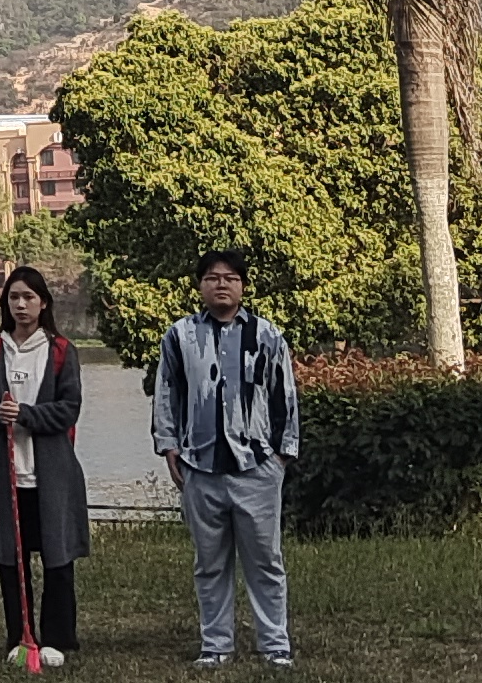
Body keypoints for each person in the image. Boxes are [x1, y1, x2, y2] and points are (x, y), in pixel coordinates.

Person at [149, 250, 297, 669]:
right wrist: (168, 445)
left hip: (257, 467)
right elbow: (166, 392)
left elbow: (285, 396)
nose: (221, 285)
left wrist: (281, 457)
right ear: (200, 286)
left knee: (265, 561)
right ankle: (215, 645)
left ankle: (275, 644)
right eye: (212, 278)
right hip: (200, 466)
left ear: (242, 286)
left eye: (230, 278)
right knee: (209, 563)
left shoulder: (268, 336)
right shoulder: (180, 336)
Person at [0, 267, 83, 671]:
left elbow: (69, 408)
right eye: (14, 298)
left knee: (57, 556)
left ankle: (56, 637)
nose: (21, 305)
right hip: (9, 471)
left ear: (43, 303)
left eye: (29, 298)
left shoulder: (61, 350)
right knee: (11, 559)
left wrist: (27, 414)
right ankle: (21, 634)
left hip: (51, 472)